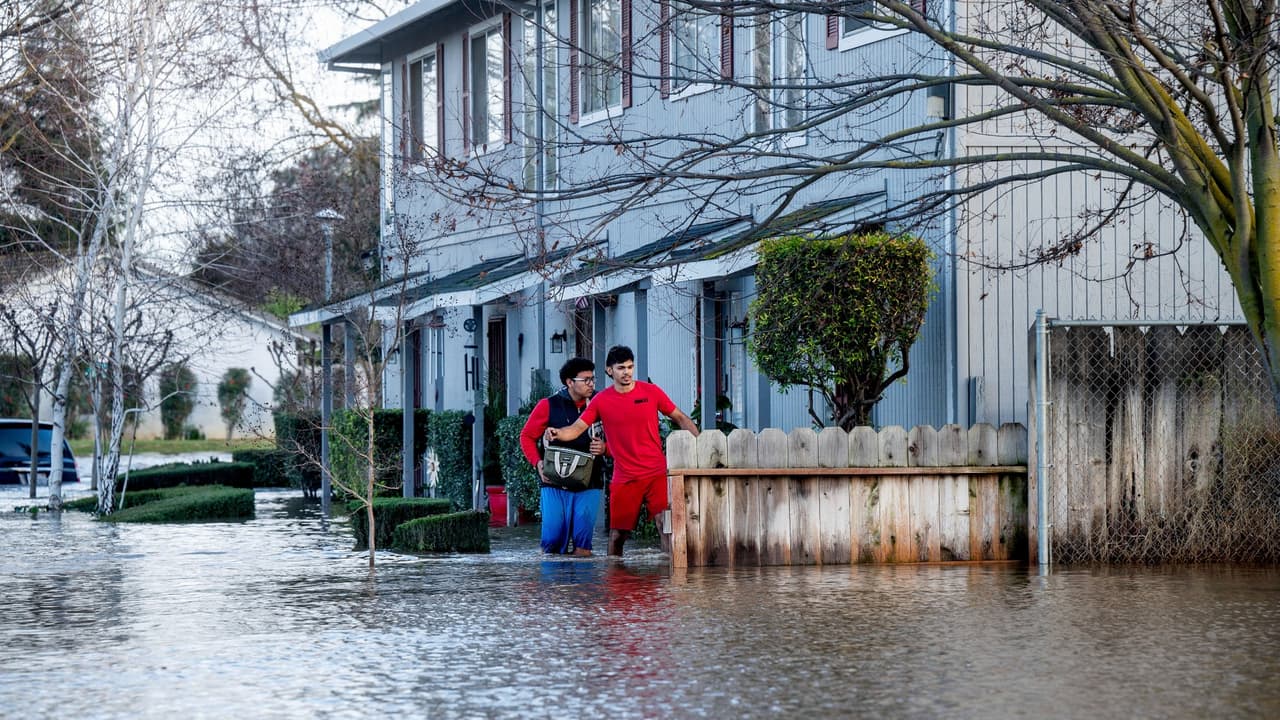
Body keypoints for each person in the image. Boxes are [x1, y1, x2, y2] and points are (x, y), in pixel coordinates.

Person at [548, 345, 699, 556]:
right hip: (625, 477)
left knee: (665, 525)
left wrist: (700, 442)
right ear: (610, 370)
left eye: (630, 367)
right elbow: (576, 428)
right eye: (621, 368)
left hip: (656, 472)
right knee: (618, 535)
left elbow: (680, 417)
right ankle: (616, 578)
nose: (627, 372)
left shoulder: (651, 391)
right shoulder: (601, 400)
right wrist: (558, 433)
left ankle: (671, 573)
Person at [520, 357, 608, 556]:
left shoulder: (601, 403)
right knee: (551, 543)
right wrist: (538, 463)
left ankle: (582, 586)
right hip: (553, 482)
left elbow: (620, 437)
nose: (591, 384)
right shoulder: (548, 405)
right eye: (586, 380)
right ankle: (552, 586)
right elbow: (526, 436)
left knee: (583, 545)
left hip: (589, 482)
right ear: (569, 382)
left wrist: (605, 448)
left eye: (593, 379)